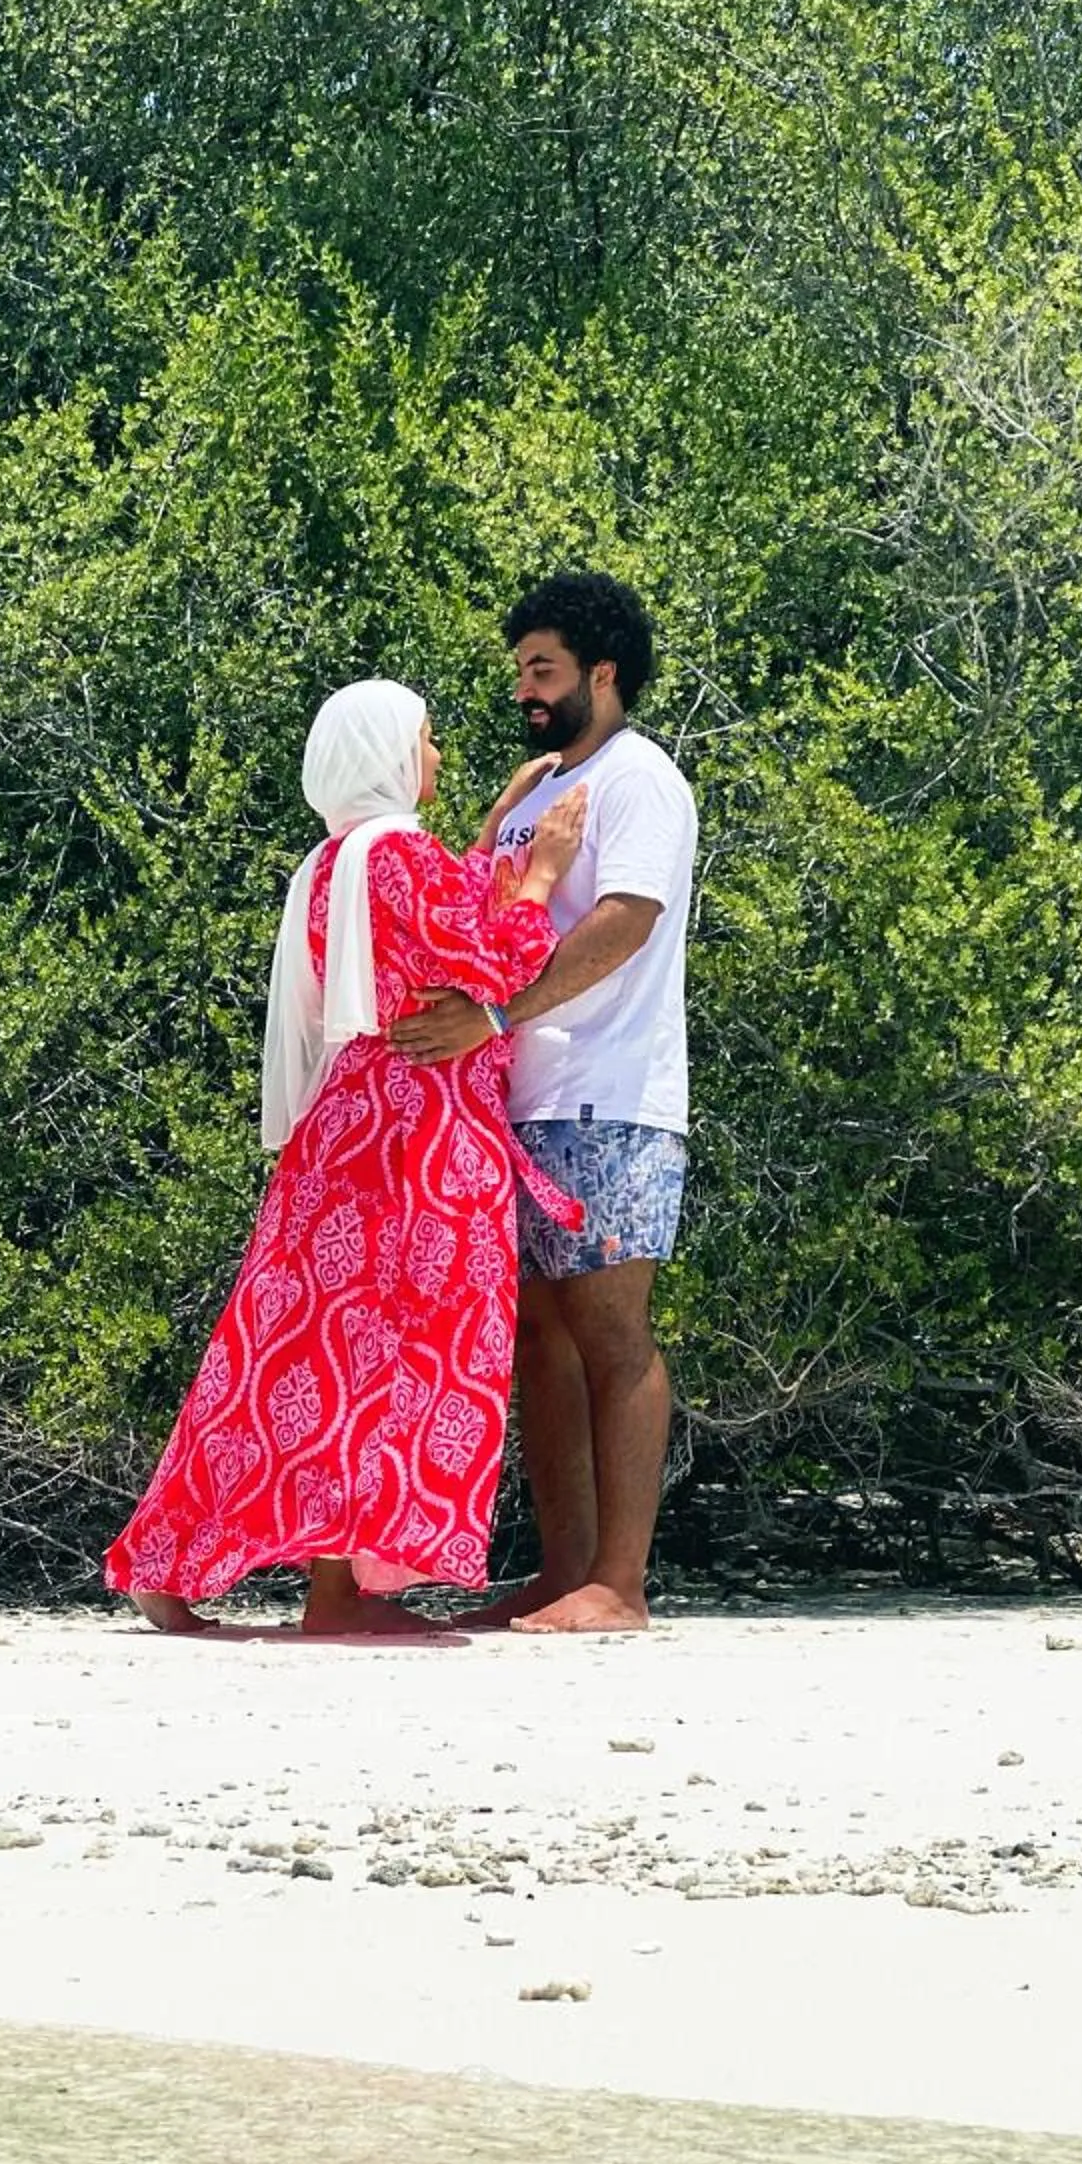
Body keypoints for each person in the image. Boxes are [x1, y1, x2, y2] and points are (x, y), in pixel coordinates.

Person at [103, 679, 587, 1638]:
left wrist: (490, 831)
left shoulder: (335, 862)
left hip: (344, 1131)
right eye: (427, 738)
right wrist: (540, 876)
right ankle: (344, 1593)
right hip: (420, 1139)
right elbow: (493, 963)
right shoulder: (397, 853)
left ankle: (173, 1561)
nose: (437, 755)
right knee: (409, 1352)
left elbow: (433, 930)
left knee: (291, 1353)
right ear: (387, 754)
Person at [391, 573, 695, 1633]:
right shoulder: (531, 785)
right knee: (534, 1340)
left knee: (612, 1332)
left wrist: (497, 1011)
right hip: (509, 1104)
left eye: (543, 669)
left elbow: (627, 920)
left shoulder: (640, 779)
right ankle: (565, 1571)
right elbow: (474, 902)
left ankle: (622, 1583)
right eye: (519, 668)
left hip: (609, 1097)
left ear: (601, 675)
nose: (523, 687)